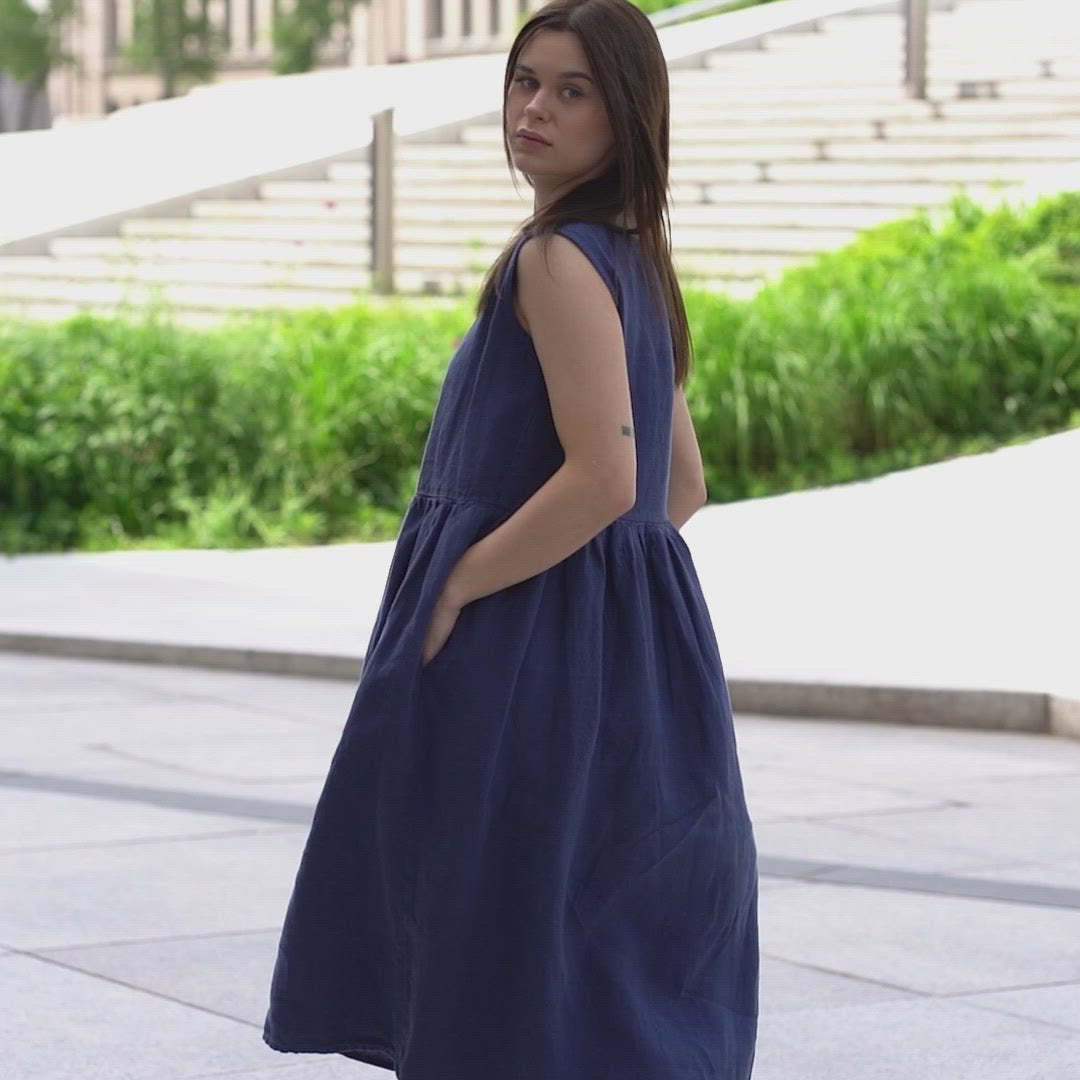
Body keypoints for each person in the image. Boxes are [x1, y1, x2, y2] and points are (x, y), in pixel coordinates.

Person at [261, 0, 760, 1075]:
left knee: (485, 911)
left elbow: (608, 480)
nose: (534, 108)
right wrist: (602, 608)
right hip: (620, 650)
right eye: (524, 80)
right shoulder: (640, 262)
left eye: (572, 90)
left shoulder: (554, 261)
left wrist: (459, 590)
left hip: (518, 637)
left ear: (625, 118)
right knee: (583, 920)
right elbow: (679, 487)